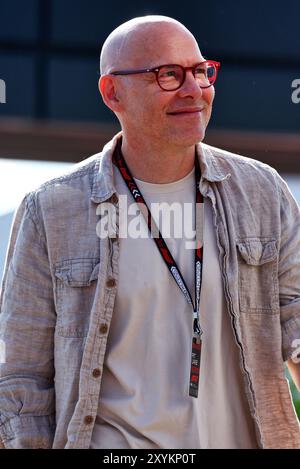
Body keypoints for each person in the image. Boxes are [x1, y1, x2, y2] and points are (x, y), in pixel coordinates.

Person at [0, 15, 299, 450]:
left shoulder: (262, 192)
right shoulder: (51, 211)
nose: (194, 89)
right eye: (168, 75)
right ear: (112, 92)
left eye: (200, 71)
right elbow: (20, 377)